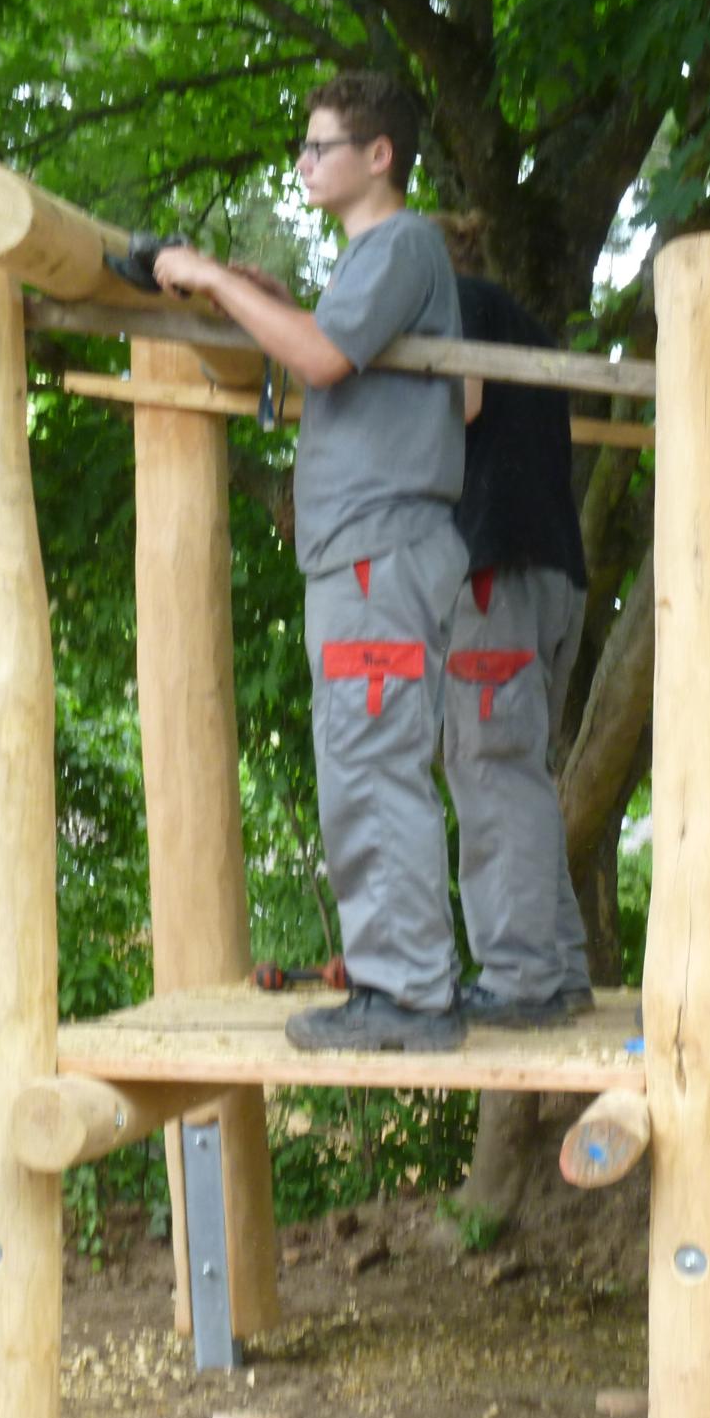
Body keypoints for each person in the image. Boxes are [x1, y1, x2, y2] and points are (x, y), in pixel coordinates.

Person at [153, 71, 468, 1052]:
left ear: (380, 155)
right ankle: (402, 982)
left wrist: (208, 280)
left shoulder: (400, 242)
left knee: (372, 767)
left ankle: (409, 992)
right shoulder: (373, 260)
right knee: (364, 763)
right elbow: (333, 352)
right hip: (369, 551)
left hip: (379, 552)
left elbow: (325, 361)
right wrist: (271, 306)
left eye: (319, 145)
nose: (303, 161)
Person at [429, 212, 592, 1027]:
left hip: (496, 568)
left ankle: (521, 975)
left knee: (489, 766)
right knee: (518, 767)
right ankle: (557, 967)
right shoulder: (521, 324)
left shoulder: (452, 303)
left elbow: (457, 406)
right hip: (553, 572)